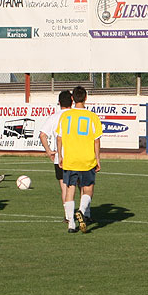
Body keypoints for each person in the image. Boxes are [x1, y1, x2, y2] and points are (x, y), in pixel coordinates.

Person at [39, 90, 92, 224]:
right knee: (82, 185)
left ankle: (68, 217)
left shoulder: (54, 117)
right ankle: (85, 213)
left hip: (61, 158)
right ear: (72, 101)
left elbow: (42, 134)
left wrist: (49, 151)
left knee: (65, 187)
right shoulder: (75, 115)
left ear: (59, 102)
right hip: (79, 156)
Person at [56, 86, 103, 234]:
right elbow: (96, 140)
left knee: (70, 189)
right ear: (86, 98)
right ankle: (82, 211)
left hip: (70, 159)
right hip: (87, 159)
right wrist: (98, 159)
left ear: (72, 99)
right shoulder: (92, 117)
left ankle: (71, 224)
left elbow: (59, 138)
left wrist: (60, 156)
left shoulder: (65, 116)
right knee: (88, 188)